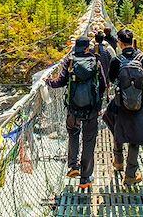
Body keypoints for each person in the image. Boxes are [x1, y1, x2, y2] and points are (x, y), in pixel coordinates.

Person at [47, 36, 107, 189]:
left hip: (73, 108)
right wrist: (97, 102)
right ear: (87, 48)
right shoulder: (96, 62)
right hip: (91, 109)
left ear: (76, 47)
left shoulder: (70, 61)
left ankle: (73, 166)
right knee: (89, 141)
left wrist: (47, 81)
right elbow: (103, 86)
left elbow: (59, 82)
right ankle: (85, 178)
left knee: (73, 134)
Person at [104, 28, 143, 186]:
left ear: (119, 43)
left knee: (117, 128)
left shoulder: (116, 60)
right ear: (132, 41)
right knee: (135, 137)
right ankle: (130, 175)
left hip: (120, 104)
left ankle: (118, 162)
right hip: (138, 105)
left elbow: (111, 79)